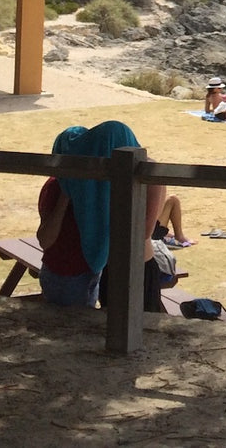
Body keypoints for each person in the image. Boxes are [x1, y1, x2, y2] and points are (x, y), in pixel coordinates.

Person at [37, 121, 166, 311]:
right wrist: (67, 191)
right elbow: (46, 238)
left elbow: (144, 232)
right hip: (85, 270)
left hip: (127, 266)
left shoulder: (141, 174)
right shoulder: (77, 184)